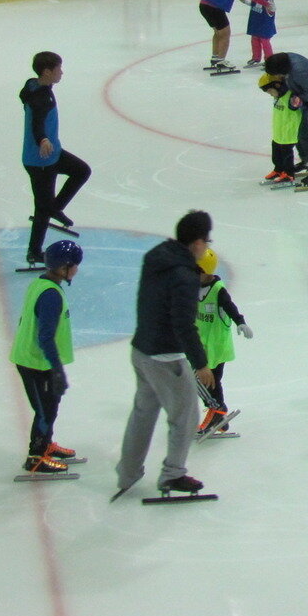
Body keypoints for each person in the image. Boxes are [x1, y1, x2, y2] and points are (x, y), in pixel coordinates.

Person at [115, 210, 216, 501]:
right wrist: (201, 364)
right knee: (185, 416)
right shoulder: (185, 277)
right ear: (196, 242)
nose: (207, 247)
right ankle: (173, 474)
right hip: (165, 357)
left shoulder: (156, 255)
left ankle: (127, 472)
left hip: (141, 350)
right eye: (206, 241)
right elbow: (183, 324)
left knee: (143, 413)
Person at [11, 240, 84, 475]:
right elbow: (45, 337)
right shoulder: (51, 295)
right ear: (63, 267)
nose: (77, 269)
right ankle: (36, 457)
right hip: (34, 362)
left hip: (36, 360)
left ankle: (46, 445)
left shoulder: (41, 283)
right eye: (74, 265)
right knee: (45, 410)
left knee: (50, 404)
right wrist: (57, 370)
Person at [19, 52, 91, 268]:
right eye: (58, 69)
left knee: (81, 171)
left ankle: (54, 207)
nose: (62, 72)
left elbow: (24, 95)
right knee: (41, 209)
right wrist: (42, 139)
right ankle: (34, 251)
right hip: (40, 161)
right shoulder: (42, 97)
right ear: (47, 72)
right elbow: (37, 124)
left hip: (53, 154)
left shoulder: (32, 85)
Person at [193, 247, 252, 436]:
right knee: (209, 382)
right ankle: (218, 415)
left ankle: (217, 413)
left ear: (204, 271)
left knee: (206, 381)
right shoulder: (194, 287)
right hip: (202, 345)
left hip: (216, 347)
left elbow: (230, 307)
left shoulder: (218, 291)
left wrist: (241, 323)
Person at [262, 51, 308, 187]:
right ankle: (306, 161)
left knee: (305, 136)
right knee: (299, 133)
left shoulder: (299, 71)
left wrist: (299, 98)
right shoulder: (287, 61)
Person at [257, 71, 301, 184]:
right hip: (278, 129)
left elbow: (298, 106)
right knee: (276, 150)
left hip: (290, 129)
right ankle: (278, 169)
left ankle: (288, 173)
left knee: (286, 153)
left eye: (270, 91)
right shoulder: (278, 95)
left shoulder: (291, 95)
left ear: (277, 85)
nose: (270, 94)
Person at [240, 0, 276, 66]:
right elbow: (251, 3)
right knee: (254, 40)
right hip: (256, 25)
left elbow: (273, 9)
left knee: (265, 42)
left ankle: (269, 60)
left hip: (265, 26)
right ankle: (256, 57)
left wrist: (269, 7)